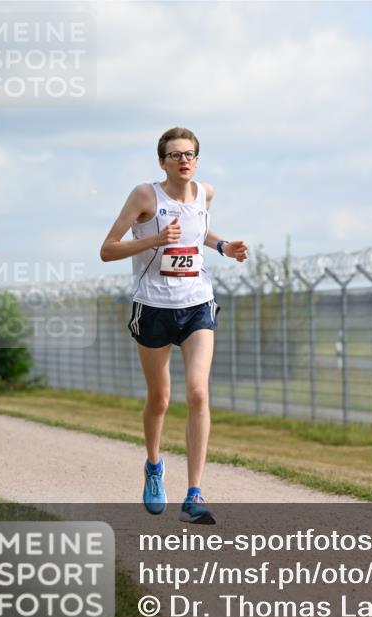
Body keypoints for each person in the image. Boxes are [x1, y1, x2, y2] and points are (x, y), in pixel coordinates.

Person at [100, 127, 248, 525]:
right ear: (162, 161)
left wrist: (222, 247)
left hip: (197, 304)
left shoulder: (206, 193)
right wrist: (154, 240)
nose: (184, 160)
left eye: (190, 154)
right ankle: (153, 465)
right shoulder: (145, 196)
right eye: (175, 154)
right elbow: (107, 250)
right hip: (152, 307)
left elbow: (197, 233)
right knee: (160, 399)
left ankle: (194, 493)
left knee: (198, 392)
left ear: (197, 160)